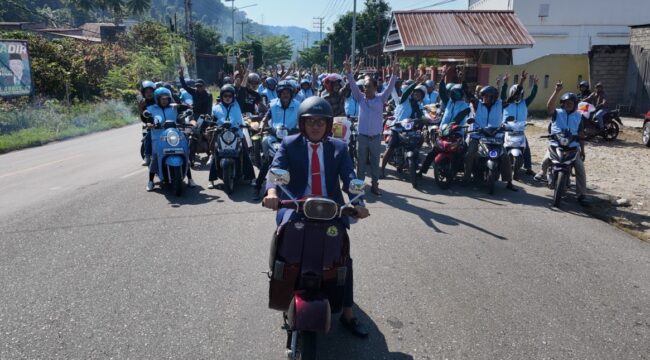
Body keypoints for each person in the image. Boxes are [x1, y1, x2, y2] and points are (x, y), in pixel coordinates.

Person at [262, 96, 370, 338]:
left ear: (329, 125)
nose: (316, 126)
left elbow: (350, 178)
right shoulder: (289, 144)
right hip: (297, 204)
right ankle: (282, 283)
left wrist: (359, 204)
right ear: (302, 124)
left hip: (330, 208)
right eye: (310, 122)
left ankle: (348, 313)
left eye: (321, 122)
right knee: (286, 239)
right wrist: (271, 193)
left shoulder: (339, 148)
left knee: (343, 256)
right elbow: (275, 171)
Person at [345, 57, 398, 195]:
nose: (365, 89)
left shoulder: (381, 98)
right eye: (364, 87)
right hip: (362, 137)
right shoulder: (360, 98)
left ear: (375, 88)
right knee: (361, 163)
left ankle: (375, 185)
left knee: (375, 163)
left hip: (375, 138)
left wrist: (395, 72)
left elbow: (391, 86)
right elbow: (352, 85)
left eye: (368, 86)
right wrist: (349, 72)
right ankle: (359, 186)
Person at [535, 82, 588, 204]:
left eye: (571, 103)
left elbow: (581, 134)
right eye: (566, 103)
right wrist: (556, 91)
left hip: (573, 146)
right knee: (546, 159)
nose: (568, 104)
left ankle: (581, 194)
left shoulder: (579, 116)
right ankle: (542, 172)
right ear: (563, 104)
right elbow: (549, 106)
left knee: (580, 168)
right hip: (556, 143)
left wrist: (583, 150)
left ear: (575, 105)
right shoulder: (557, 112)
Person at [253, 80, 301, 198]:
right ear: (279, 93)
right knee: (268, 160)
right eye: (283, 92)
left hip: (292, 136)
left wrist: (300, 129)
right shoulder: (273, 104)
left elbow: (302, 120)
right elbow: (266, 116)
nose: (285, 95)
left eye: (288, 93)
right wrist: (261, 125)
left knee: (299, 160)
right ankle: (258, 186)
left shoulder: (298, 105)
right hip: (274, 136)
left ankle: (302, 187)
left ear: (291, 94)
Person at [466, 85, 517, 191]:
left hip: (495, 136)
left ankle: (509, 182)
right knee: (469, 154)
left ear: (494, 97)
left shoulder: (500, 105)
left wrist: (521, 83)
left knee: (506, 158)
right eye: (484, 96)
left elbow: (512, 98)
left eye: (488, 96)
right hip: (478, 135)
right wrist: (463, 81)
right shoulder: (477, 104)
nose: (485, 98)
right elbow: (469, 95)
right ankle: (466, 178)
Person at [145, 87, 197, 191]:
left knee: (184, 154)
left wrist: (182, 107)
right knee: (155, 157)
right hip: (158, 137)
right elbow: (147, 119)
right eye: (162, 99)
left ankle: (190, 179)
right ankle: (150, 181)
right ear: (157, 99)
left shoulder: (173, 107)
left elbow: (188, 108)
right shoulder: (151, 109)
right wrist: (150, 124)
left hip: (174, 136)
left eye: (167, 98)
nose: (165, 101)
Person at [380, 71, 428, 178]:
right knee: (390, 147)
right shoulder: (405, 99)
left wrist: (426, 120)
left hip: (409, 129)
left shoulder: (417, 106)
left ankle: (415, 160)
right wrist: (416, 83)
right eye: (416, 93)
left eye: (420, 94)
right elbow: (407, 92)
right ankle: (382, 170)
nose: (417, 95)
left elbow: (421, 116)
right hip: (397, 128)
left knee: (419, 139)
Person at [418, 82, 471, 177]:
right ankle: (422, 171)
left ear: (462, 94)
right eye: (453, 93)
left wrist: (452, 126)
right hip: (444, 131)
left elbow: (459, 118)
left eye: (457, 93)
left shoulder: (465, 106)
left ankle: (457, 173)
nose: (455, 95)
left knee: (459, 154)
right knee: (433, 152)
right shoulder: (449, 102)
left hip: (457, 132)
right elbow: (442, 93)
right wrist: (442, 80)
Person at [208, 84, 256, 189]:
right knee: (216, 153)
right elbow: (212, 121)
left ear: (233, 96)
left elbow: (242, 89)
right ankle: (211, 179)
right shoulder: (216, 108)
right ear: (221, 96)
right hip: (222, 134)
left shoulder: (237, 104)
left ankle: (251, 177)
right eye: (225, 95)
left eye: (230, 95)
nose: (228, 98)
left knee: (245, 152)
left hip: (237, 133)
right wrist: (212, 125)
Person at [501, 71, 539, 176]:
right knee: (499, 144)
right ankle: (498, 163)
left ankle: (528, 167)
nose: (517, 96)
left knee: (526, 147)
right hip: (507, 129)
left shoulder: (525, 103)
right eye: (515, 94)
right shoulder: (507, 102)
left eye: (519, 94)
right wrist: (505, 83)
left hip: (519, 129)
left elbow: (533, 95)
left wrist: (535, 85)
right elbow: (503, 93)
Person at [138, 80, 157, 166]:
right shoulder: (143, 103)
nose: (149, 93)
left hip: (163, 123)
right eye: (147, 92)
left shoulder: (158, 100)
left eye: (151, 91)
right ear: (143, 93)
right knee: (148, 137)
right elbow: (143, 118)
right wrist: (141, 109)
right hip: (151, 126)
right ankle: (147, 157)